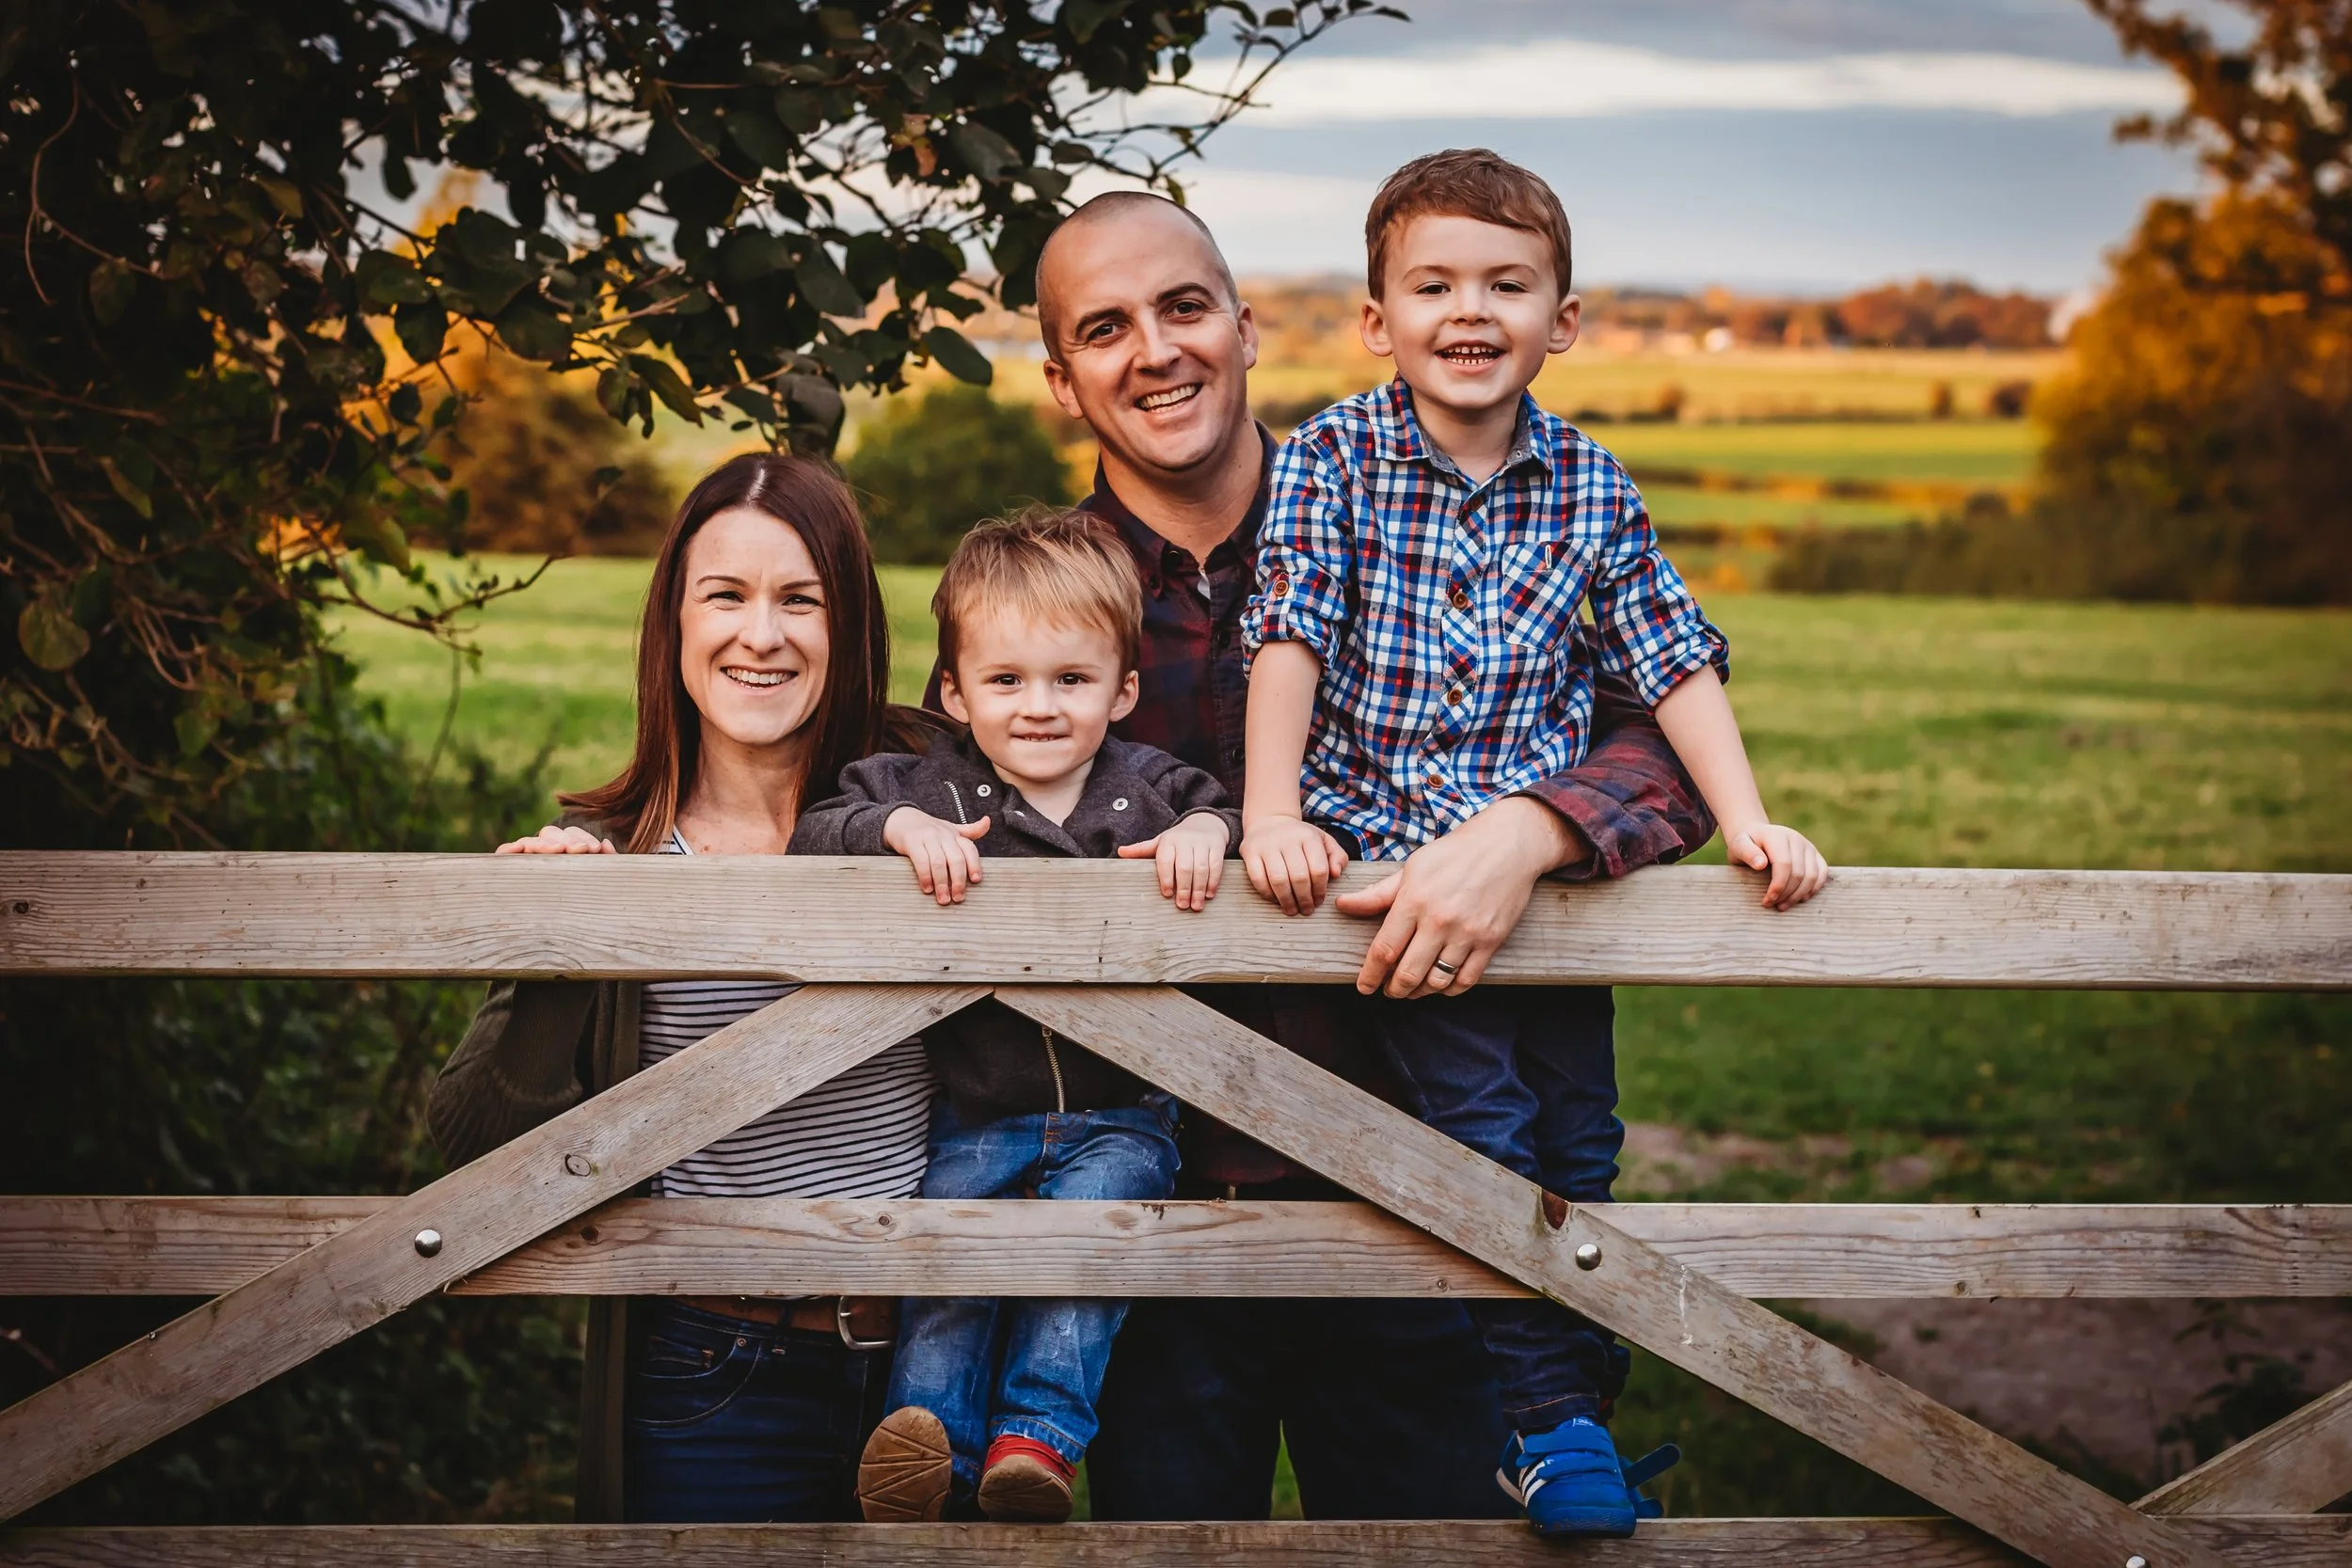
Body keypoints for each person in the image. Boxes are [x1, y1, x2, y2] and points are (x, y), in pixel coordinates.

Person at [995, 189, 1722, 1523]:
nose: (1155, 348)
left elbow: (1662, 733)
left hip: (1425, 1184)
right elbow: (917, 785)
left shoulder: (1409, 496)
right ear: (1060, 380)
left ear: (1247, 325)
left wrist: (1533, 827)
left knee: (1438, 1536)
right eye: (1107, 327)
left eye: (1184, 305)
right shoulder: (1037, 596)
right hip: (1155, 1207)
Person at [1237, 149, 1829, 1537]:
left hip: (1550, 896)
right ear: (1376, 318)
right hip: (1397, 882)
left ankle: (1577, 1389)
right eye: (1433, 284)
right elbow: (1288, 637)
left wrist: (1745, 820)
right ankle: (1548, 1421)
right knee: (1486, 1134)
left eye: (1508, 284)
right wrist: (1274, 814)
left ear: (1565, 318)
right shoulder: (1329, 458)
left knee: (1585, 1136)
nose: (1471, 310)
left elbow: (1673, 661)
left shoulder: (1591, 484)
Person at [425, 453, 939, 1524]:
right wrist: (567, 952)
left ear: (849, 625)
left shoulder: (935, 794)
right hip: (713, 1364)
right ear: (673, 624)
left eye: (801, 598)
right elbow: (466, 1139)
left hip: (939, 1362)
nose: (763, 634)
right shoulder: (618, 852)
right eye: (727, 596)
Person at [794, 511, 1241, 1524]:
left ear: (1122, 688)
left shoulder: (1151, 790)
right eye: (1005, 680)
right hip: (977, 1110)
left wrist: (1207, 837)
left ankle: (1036, 1440)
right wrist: (898, 827)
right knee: (949, 1261)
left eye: (1071, 680)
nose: (1038, 707)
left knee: (1089, 1250)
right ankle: (925, 1438)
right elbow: (820, 825)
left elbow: (1238, 815)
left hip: (1120, 1110)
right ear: (953, 690)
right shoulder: (925, 784)